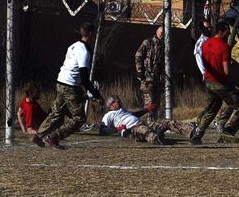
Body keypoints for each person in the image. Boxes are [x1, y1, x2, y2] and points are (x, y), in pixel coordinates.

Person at [31, 22, 104, 150]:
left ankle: (38, 136)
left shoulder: (73, 46)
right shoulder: (84, 51)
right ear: (91, 34)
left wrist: (79, 89)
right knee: (79, 118)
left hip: (60, 82)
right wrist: (97, 95)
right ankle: (54, 137)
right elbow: (84, 78)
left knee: (57, 113)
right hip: (69, 86)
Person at [190, 21, 239, 145]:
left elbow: (205, 62)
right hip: (220, 83)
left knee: (212, 109)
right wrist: (237, 76)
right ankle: (228, 130)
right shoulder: (224, 47)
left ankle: (197, 135)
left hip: (208, 81)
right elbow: (226, 71)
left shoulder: (205, 44)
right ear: (221, 32)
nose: (228, 36)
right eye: (227, 33)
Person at [99, 95, 194, 144]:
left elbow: (135, 115)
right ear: (111, 105)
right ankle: (157, 139)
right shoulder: (109, 115)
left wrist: (147, 109)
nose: (119, 101)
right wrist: (117, 129)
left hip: (142, 124)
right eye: (117, 100)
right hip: (132, 130)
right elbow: (102, 131)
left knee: (166, 122)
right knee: (145, 131)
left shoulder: (124, 110)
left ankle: (191, 131)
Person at [135, 26, 165, 118]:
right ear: (157, 32)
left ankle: (154, 125)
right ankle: (149, 126)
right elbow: (138, 55)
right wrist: (139, 71)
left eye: (164, 33)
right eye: (161, 32)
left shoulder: (164, 46)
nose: (162, 34)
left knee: (156, 105)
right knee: (149, 106)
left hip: (158, 80)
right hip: (147, 79)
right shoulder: (148, 43)